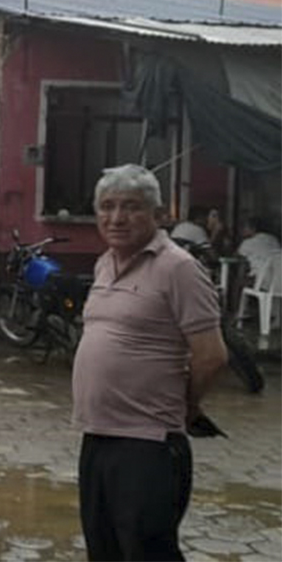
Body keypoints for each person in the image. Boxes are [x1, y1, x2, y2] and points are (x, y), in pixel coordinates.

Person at [74, 164, 228, 561]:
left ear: (158, 215)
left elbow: (211, 356)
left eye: (131, 207)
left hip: (148, 444)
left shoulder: (178, 268)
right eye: (107, 207)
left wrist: (187, 406)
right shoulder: (105, 263)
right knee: (104, 550)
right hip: (97, 436)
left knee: (147, 552)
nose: (117, 217)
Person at [237, 216, 282, 281]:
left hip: (261, 280)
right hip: (278, 280)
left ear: (253, 228)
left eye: (245, 227)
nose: (242, 230)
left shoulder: (248, 242)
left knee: (241, 274)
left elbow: (236, 257)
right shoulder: (274, 239)